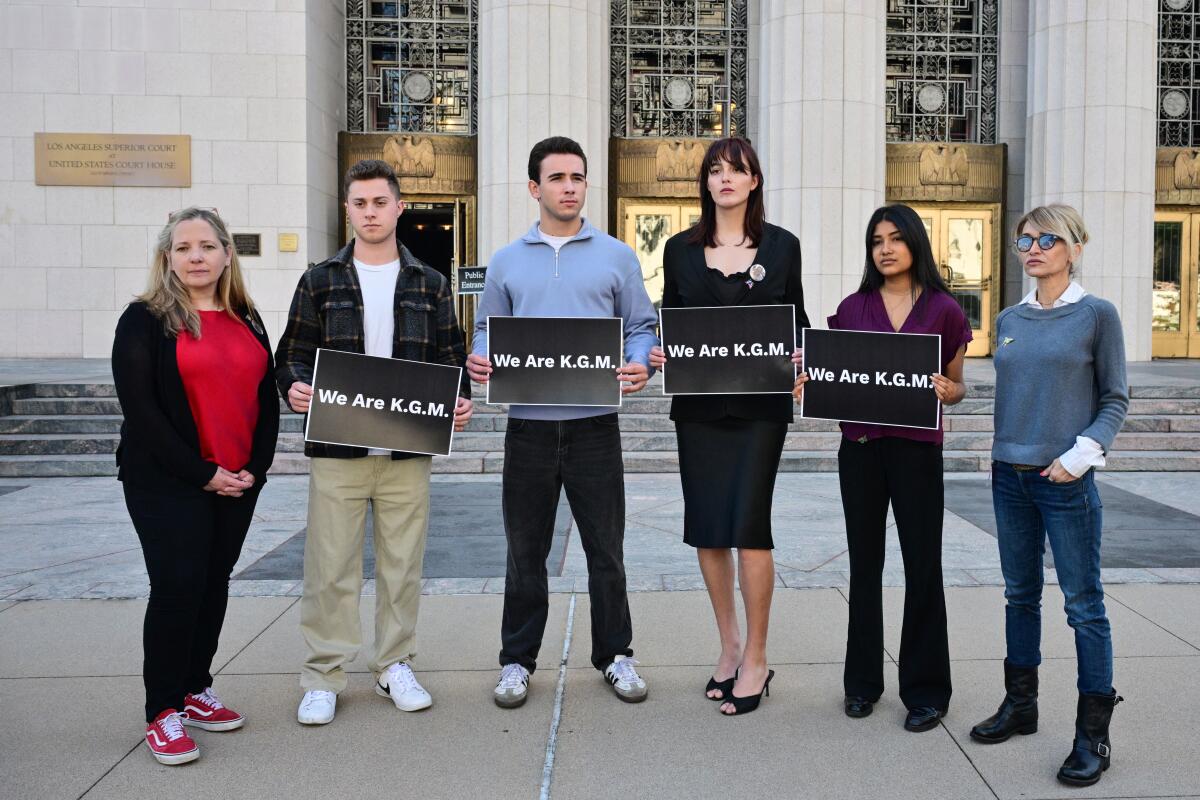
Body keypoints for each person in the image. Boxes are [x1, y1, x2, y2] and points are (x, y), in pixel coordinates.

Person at [275, 159, 473, 725]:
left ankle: (394, 664)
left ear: (399, 207)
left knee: (401, 566)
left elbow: (450, 359)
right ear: (347, 208)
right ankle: (323, 674)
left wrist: (457, 400)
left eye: (379, 203)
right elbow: (290, 355)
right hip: (339, 450)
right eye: (359, 203)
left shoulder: (429, 283)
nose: (369, 213)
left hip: (406, 452)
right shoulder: (320, 279)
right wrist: (294, 387)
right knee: (330, 567)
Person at [467, 136, 658, 708]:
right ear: (535, 188)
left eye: (577, 177)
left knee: (607, 550)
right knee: (525, 552)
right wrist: (480, 356)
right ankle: (517, 661)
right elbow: (484, 331)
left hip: (595, 426)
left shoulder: (617, 256)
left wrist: (641, 360)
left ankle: (616, 655)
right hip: (527, 428)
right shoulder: (505, 260)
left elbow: (642, 326)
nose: (570, 187)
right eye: (557, 178)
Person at [112, 207, 280, 765]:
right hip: (168, 481)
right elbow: (142, 412)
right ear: (167, 258)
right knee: (178, 585)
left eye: (207, 246)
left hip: (236, 480)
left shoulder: (247, 315)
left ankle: (194, 687)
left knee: (213, 583)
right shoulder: (145, 319)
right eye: (183, 248)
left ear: (227, 254)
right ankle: (162, 711)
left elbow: (264, 398)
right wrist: (201, 472)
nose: (196, 256)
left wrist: (255, 467)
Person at [646, 136, 807, 715]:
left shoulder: (782, 247)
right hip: (698, 408)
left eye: (736, 170)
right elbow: (672, 317)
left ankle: (758, 658)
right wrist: (663, 351)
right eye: (715, 171)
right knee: (709, 529)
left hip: (761, 410)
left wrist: (802, 357)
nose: (725, 179)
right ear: (706, 183)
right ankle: (729, 645)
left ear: (754, 181)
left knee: (750, 526)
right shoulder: (679, 250)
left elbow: (800, 323)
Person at [794, 203, 969, 732]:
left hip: (917, 453)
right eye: (877, 241)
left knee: (923, 568)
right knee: (864, 568)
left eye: (895, 238)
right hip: (863, 451)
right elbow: (835, 378)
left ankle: (926, 691)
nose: (886, 248)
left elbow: (958, 387)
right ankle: (862, 684)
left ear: (916, 243)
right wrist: (811, 386)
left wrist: (949, 390)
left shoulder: (944, 310)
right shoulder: (852, 307)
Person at [970, 204, 1128, 787]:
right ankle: (1022, 705)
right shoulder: (1010, 317)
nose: (1033, 248)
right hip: (1009, 476)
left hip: (1065, 481)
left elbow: (1114, 398)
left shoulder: (1096, 315)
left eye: (1047, 239)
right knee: (1019, 596)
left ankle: (1093, 735)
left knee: (1084, 605)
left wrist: (1079, 456)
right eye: (1024, 240)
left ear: (1074, 248)